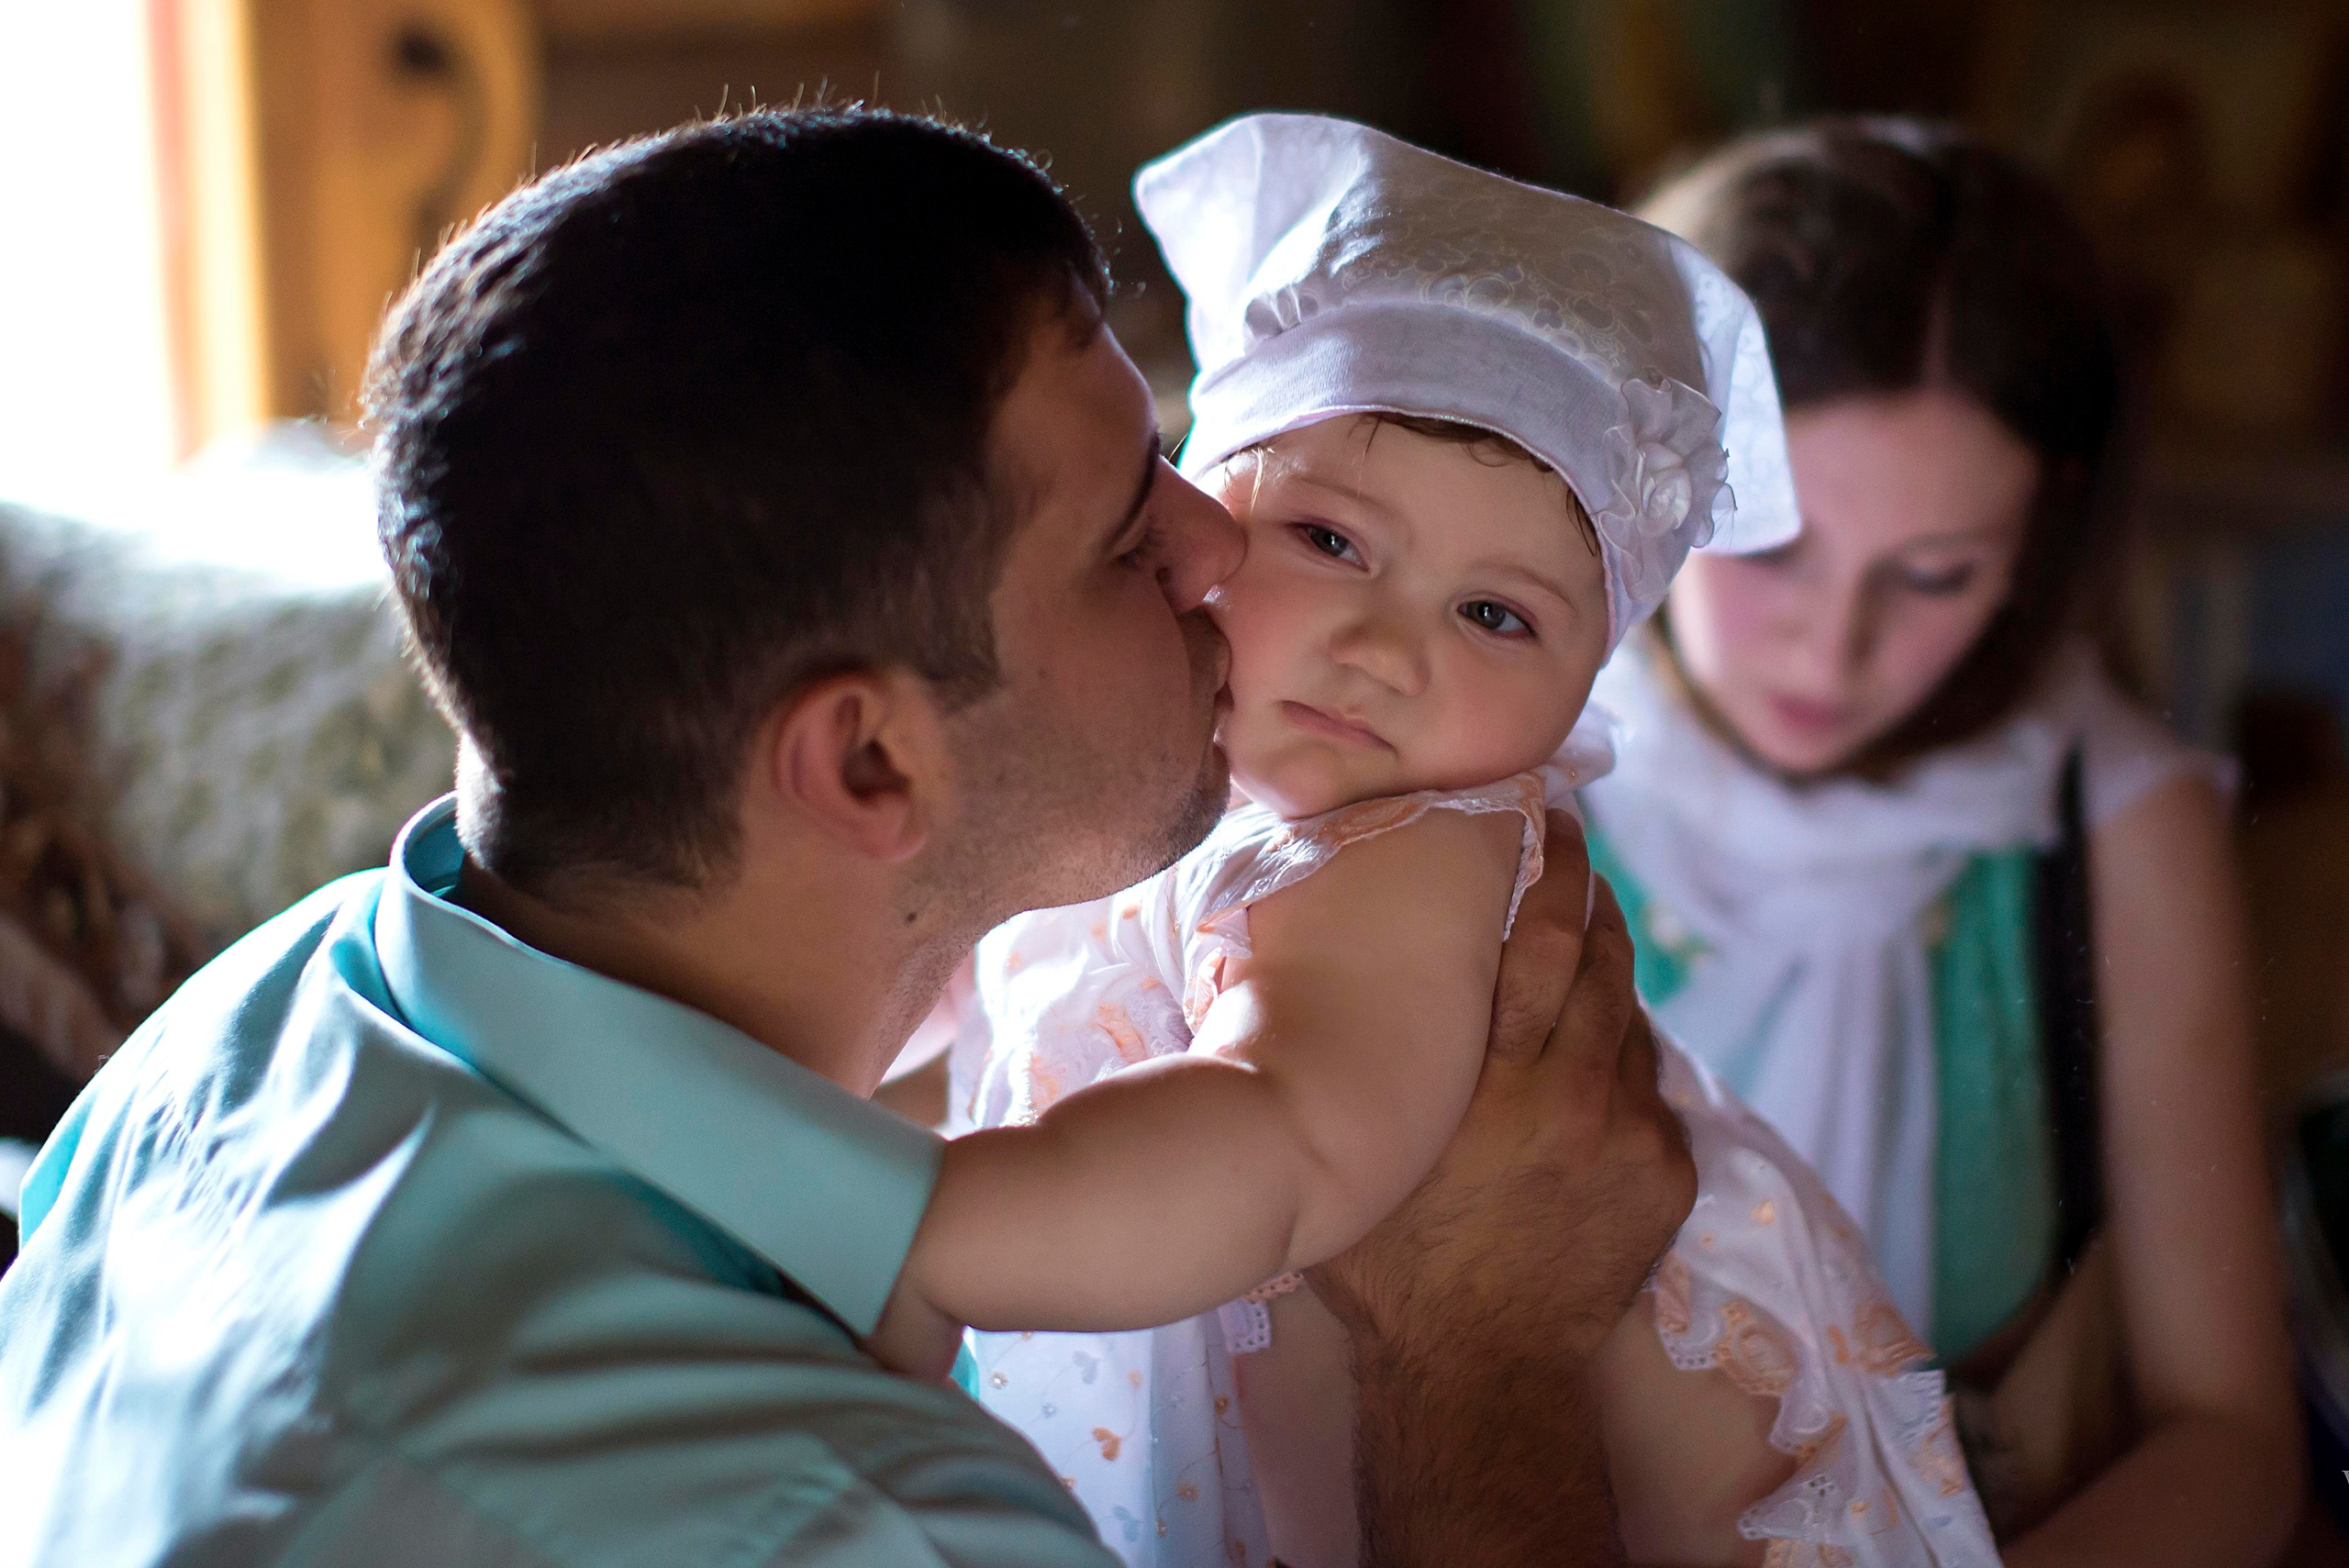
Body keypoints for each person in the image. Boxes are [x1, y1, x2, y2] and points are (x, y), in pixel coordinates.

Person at [0, 108, 1695, 1566]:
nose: (1217, 546)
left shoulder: (231, 1039)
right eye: (1128, 538)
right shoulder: (865, 1523)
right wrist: (1483, 1365)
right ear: (869, 763)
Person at [949, 114, 1997, 1568]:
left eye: (1496, 614)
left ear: (1585, 689)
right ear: (1195, 508)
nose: (1385, 648)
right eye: (1331, 541)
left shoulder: (1410, 852)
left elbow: (1286, 1135)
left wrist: (915, 1230)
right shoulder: (1189, 795)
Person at [1581, 117, 2299, 1563]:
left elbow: (2230, 1432)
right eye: (1772, 549)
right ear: (1648, 468)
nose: (1831, 649)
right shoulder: (1503, 753)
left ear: (2042, 547)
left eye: (1934, 576)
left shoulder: (2109, 821)